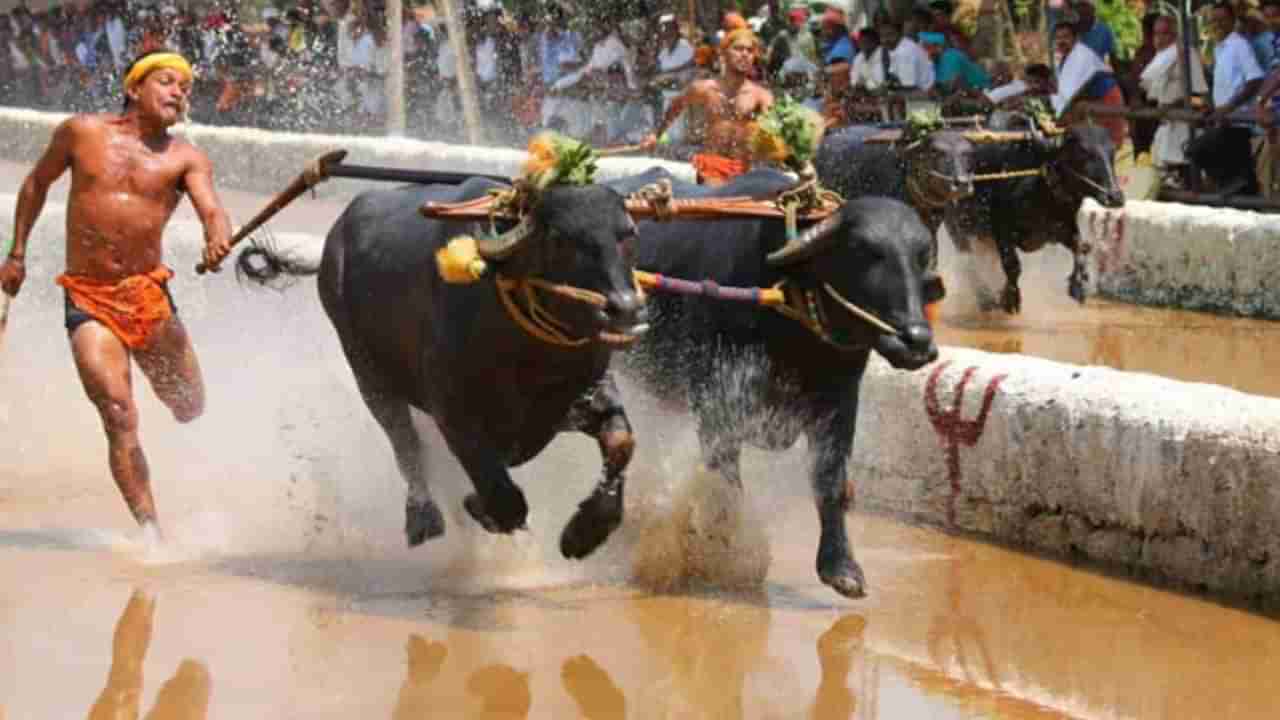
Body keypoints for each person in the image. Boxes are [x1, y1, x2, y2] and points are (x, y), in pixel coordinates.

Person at [0, 49, 233, 541]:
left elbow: (213, 210)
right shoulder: (81, 132)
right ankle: (151, 532)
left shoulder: (186, 156)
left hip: (146, 295)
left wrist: (217, 236)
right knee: (118, 411)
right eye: (168, 82)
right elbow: (36, 184)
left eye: (185, 88)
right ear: (134, 88)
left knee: (190, 405)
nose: (178, 93)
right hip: (88, 296)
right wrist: (16, 254)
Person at [641, 27, 773, 185]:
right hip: (712, 165)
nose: (744, 54)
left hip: (743, 169)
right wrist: (656, 134)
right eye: (738, 49)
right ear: (723, 53)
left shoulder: (761, 95)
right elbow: (676, 105)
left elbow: (775, 127)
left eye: (750, 51)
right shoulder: (703, 88)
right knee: (716, 191)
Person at [1139, 15, 1207, 185]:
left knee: (1187, 179)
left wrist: (1176, 104)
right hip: (1165, 126)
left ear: (1176, 34)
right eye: (1156, 34)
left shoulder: (1185, 53)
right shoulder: (1160, 57)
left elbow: (1201, 97)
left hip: (1185, 128)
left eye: (1165, 34)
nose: (1159, 39)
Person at [1051, 19, 1128, 148]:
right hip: (1090, 103)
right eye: (1058, 38)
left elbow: (1076, 91)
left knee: (1099, 149)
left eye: (1065, 37)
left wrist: (1061, 117)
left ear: (1076, 38)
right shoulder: (1064, 60)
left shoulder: (1082, 55)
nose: (1061, 41)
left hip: (1107, 100)